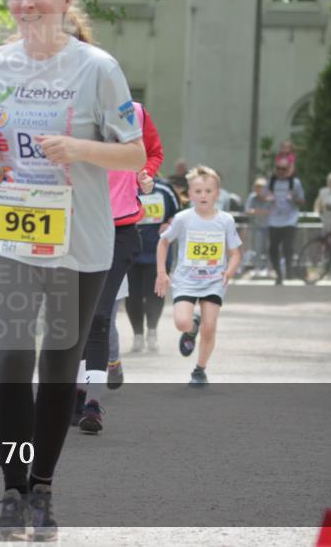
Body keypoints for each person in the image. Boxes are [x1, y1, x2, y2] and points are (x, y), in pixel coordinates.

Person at [0, 0, 145, 541]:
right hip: (11, 234)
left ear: (66, 0)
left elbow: (136, 152)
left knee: (58, 362)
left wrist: (82, 149)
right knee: (13, 361)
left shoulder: (97, 68)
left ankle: (43, 487)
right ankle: (12, 494)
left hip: (78, 239)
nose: (26, 3)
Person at [75, 99, 164, 433]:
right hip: (75, 226)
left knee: (99, 315)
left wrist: (146, 174)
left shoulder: (136, 112)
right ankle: (78, 392)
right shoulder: (66, 108)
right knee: (74, 317)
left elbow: (154, 152)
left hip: (120, 230)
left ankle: (93, 405)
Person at [155, 165, 242, 387]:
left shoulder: (226, 221)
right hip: (186, 280)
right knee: (181, 322)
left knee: (210, 326)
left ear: (217, 194)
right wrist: (161, 273)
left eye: (208, 191)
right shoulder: (183, 218)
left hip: (214, 280)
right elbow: (163, 241)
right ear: (189, 194)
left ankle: (199, 370)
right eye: (198, 191)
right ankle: (191, 328)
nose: (203, 196)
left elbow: (235, 253)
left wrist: (229, 271)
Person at [125, 174, 180, 352]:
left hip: (157, 251)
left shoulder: (164, 189)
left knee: (155, 293)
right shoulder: (127, 184)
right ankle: (138, 334)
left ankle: (152, 330)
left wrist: (169, 223)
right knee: (132, 295)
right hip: (131, 249)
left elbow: (178, 215)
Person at [265, 157, 305, 285]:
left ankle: (289, 270)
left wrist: (293, 199)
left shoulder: (295, 183)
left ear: (289, 170)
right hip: (274, 220)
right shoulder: (271, 182)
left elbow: (302, 201)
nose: (281, 171)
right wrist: (268, 198)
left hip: (289, 220)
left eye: (284, 169)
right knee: (273, 249)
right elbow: (263, 196)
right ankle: (278, 273)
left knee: (287, 247)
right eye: (278, 168)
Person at [244, 177, 272, 276]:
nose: (259, 189)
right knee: (257, 248)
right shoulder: (252, 197)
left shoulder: (270, 197)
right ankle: (257, 268)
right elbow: (248, 210)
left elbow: (272, 212)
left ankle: (268, 269)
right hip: (257, 227)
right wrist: (262, 212)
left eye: (261, 187)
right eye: (257, 187)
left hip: (270, 227)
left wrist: (256, 211)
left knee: (269, 248)